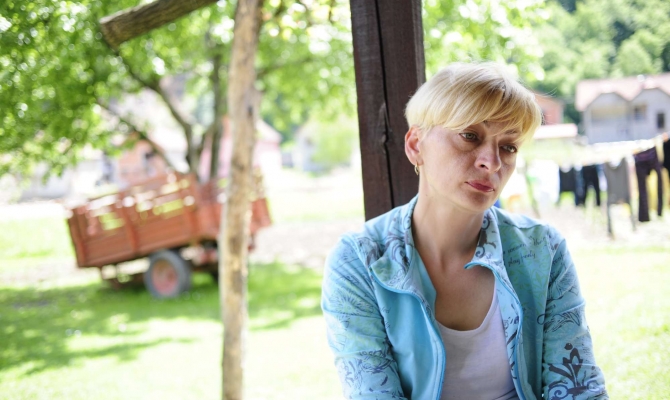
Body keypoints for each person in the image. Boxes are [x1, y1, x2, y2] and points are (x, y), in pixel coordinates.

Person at [321, 63, 608, 400]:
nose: (492, 162)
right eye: (470, 136)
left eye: (508, 146)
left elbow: (579, 389)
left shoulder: (543, 249)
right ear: (416, 145)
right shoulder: (360, 262)